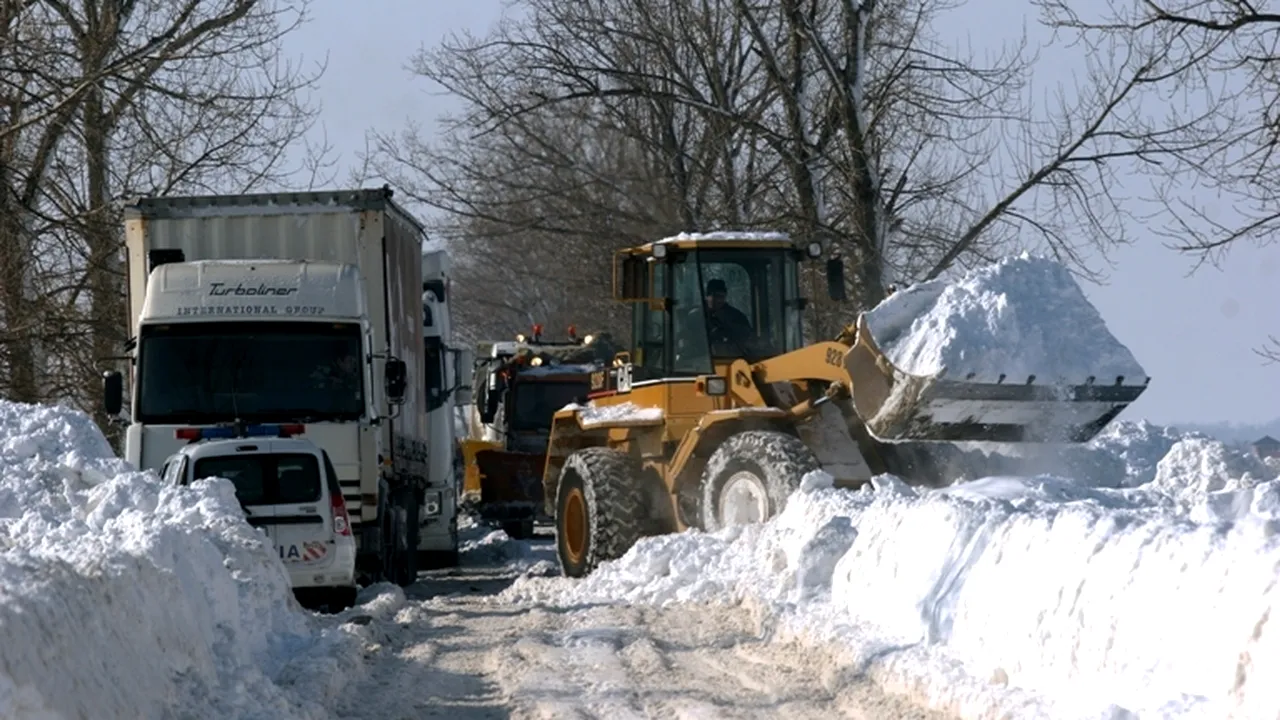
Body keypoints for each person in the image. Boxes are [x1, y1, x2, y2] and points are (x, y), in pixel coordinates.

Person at [703, 278, 753, 346]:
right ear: (706, 296)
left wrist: (726, 325)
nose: (717, 300)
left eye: (721, 296)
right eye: (713, 295)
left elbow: (748, 338)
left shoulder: (737, 317)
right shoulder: (696, 316)